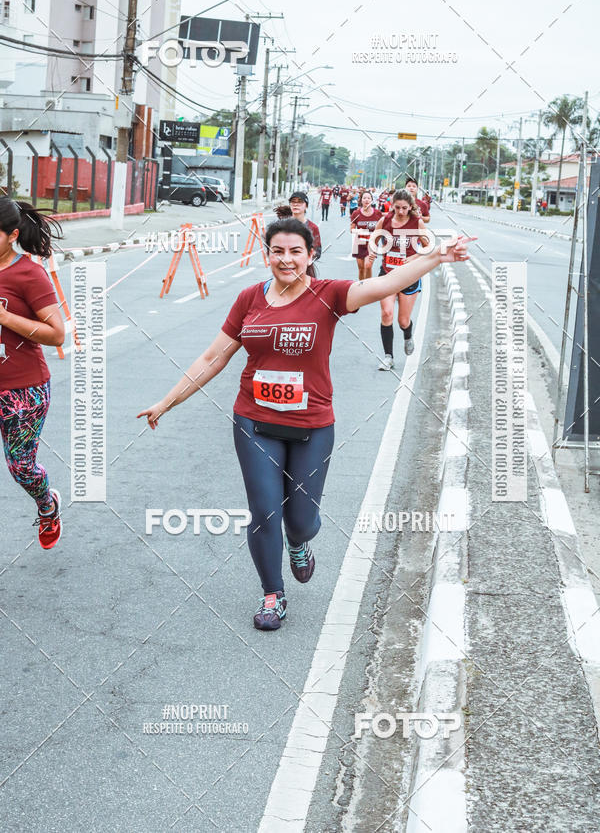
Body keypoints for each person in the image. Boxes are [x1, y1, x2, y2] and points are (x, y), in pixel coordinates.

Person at [138, 217, 473, 631]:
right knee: (264, 513)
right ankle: (273, 595)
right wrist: (167, 401)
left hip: (312, 426)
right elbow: (213, 357)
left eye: (296, 251)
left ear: (311, 256)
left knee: (300, 521)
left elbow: (384, 284)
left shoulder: (328, 294)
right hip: (254, 421)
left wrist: (437, 256)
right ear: (267, 255)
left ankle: (299, 542)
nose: (286, 259)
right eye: (277, 251)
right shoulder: (249, 300)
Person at [0, 198, 65, 547]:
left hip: (22, 390)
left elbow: (57, 333)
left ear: (12, 235)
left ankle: (46, 504)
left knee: (22, 468)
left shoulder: (29, 274)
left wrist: (6, 318)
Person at [367, 189, 429, 369]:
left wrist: (414, 258)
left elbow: (428, 248)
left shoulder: (417, 223)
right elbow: (374, 241)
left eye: (404, 208)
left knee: (403, 320)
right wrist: (372, 252)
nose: (400, 212)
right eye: (397, 208)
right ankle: (388, 357)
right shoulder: (384, 220)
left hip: (409, 275)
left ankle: (408, 334)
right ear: (392, 206)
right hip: (387, 273)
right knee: (386, 313)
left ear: (410, 207)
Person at [276, 191, 322, 259]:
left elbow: (318, 252)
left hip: (304, 268)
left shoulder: (313, 228)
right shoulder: (282, 226)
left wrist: (301, 257)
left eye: (300, 202)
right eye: (293, 201)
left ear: (306, 206)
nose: (296, 204)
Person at [350, 190, 382, 280]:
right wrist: (359, 231)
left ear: (372, 200)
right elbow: (351, 229)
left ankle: (368, 287)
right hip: (358, 244)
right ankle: (361, 286)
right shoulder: (356, 213)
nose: (366, 200)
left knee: (368, 266)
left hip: (371, 244)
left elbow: (382, 228)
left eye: (368, 198)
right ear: (361, 200)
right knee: (361, 269)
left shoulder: (377, 213)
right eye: (364, 198)